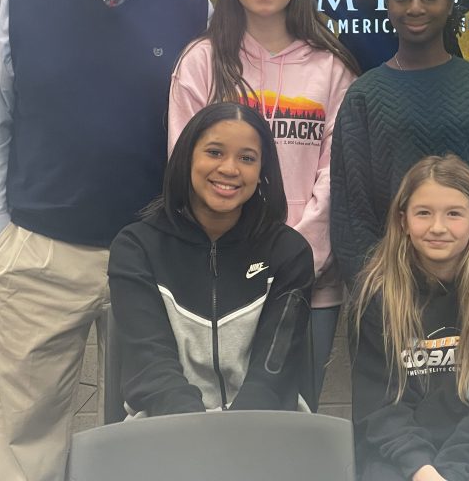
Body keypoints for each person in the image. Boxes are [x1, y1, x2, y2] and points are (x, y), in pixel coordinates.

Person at [0, 0, 209, 480]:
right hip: (41, 255)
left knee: (145, 433)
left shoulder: (190, 7)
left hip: (152, 259)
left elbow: (206, 134)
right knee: (27, 433)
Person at [168, 0, 358, 404]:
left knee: (293, 418)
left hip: (309, 282)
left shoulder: (331, 67)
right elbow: (184, 165)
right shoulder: (202, 61)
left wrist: (296, 257)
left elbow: (336, 172)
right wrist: (234, 257)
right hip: (218, 276)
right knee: (217, 418)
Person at [331, 0, 469, 284]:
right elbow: (352, 212)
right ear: (387, 3)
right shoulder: (364, 95)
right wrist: (376, 287)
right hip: (391, 289)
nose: (415, 7)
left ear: (450, 3)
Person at [108, 102, 314, 416]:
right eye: (215, 152)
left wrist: (234, 437)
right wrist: (200, 437)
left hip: (263, 428)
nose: (230, 169)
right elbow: (150, 367)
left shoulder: (289, 252)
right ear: (188, 158)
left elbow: (274, 373)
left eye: (247, 158)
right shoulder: (136, 247)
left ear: (262, 173)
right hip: (165, 429)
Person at [350, 154, 469, 481]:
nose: (437, 227)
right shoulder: (377, 294)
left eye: (454, 214)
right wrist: (421, 469)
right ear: (403, 222)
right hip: (401, 454)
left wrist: (450, 471)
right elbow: (377, 405)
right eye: (423, 213)